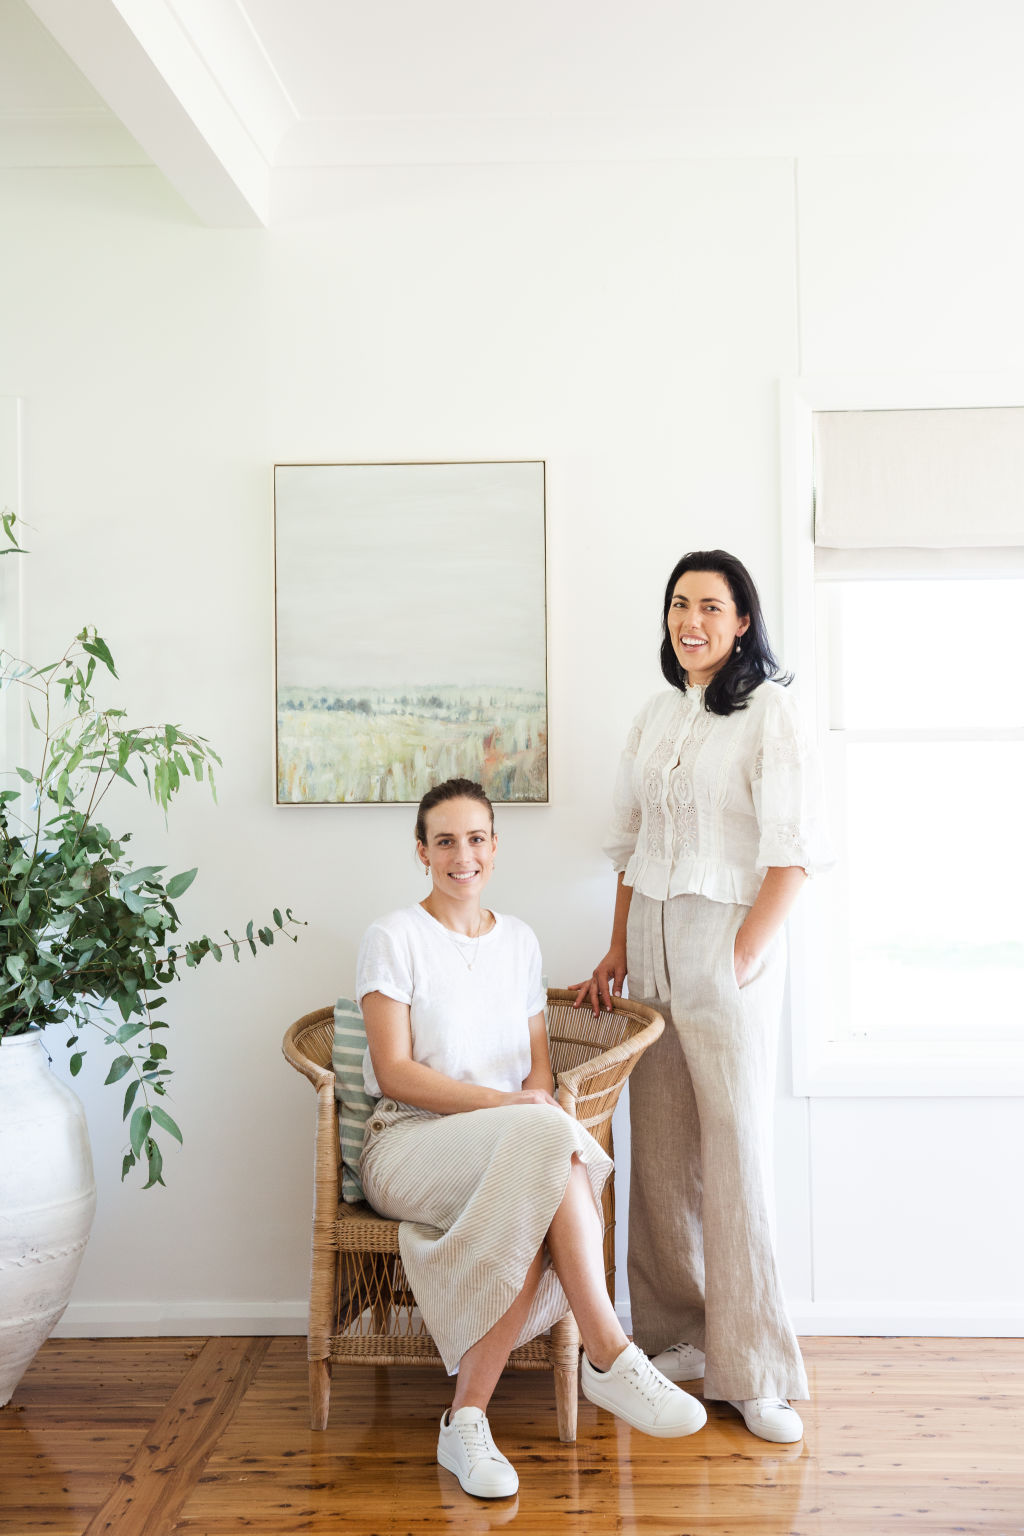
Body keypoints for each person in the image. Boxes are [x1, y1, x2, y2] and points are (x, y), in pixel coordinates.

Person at [356, 777, 706, 1501]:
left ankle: (466, 1421)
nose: (463, 855)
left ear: (495, 847)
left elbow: (539, 1071)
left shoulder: (519, 941)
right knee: (545, 1143)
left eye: (477, 838)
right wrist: (506, 1107)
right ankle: (609, 1353)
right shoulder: (393, 936)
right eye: (445, 841)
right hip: (410, 1144)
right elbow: (393, 1073)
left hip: (512, 1141)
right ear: (421, 852)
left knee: (538, 1166)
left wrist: (524, 1109)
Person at [575, 551, 833, 1445]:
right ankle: (677, 1334)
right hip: (649, 931)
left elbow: (793, 851)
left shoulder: (771, 714)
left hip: (725, 933)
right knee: (661, 1141)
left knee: (733, 1142)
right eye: (679, 605)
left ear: (743, 622)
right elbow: (629, 841)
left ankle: (755, 1365)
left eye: (710, 607)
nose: (691, 621)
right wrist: (616, 945)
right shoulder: (654, 715)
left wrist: (741, 954)